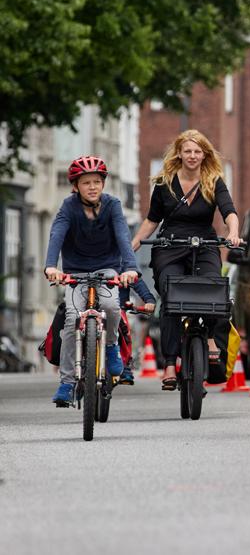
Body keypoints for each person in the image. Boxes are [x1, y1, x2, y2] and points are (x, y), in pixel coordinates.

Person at [131, 130, 240, 390]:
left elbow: (230, 212)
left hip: (204, 244)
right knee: (171, 296)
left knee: (214, 287)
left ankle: (211, 337)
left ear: (204, 155)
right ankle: (169, 364)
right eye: (188, 151)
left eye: (197, 151)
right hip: (170, 244)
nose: (192, 156)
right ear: (179, 153)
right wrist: (133, 244)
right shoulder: (165, 183)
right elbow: (152, 219)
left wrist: (233, 233)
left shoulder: (214, 181)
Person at [45, 156, 140, 406]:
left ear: (103, 183)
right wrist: (51, 266)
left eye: (97, 181)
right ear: (75, 186)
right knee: (70, 320)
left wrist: (130, 268)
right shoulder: (68, 207)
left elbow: (122, 235)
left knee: (111, 307)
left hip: (107, 269)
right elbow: (57, 234)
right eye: (86, 182)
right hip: (75, 273)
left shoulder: (113, 205)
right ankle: (66, 382)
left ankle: (110, 347)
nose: (92, 187)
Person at [116, 280, 157, 384]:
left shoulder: (122, 264)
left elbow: (135, 279)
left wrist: (149, 300)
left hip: (118, 307)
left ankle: (125, 366)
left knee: (124, 327)